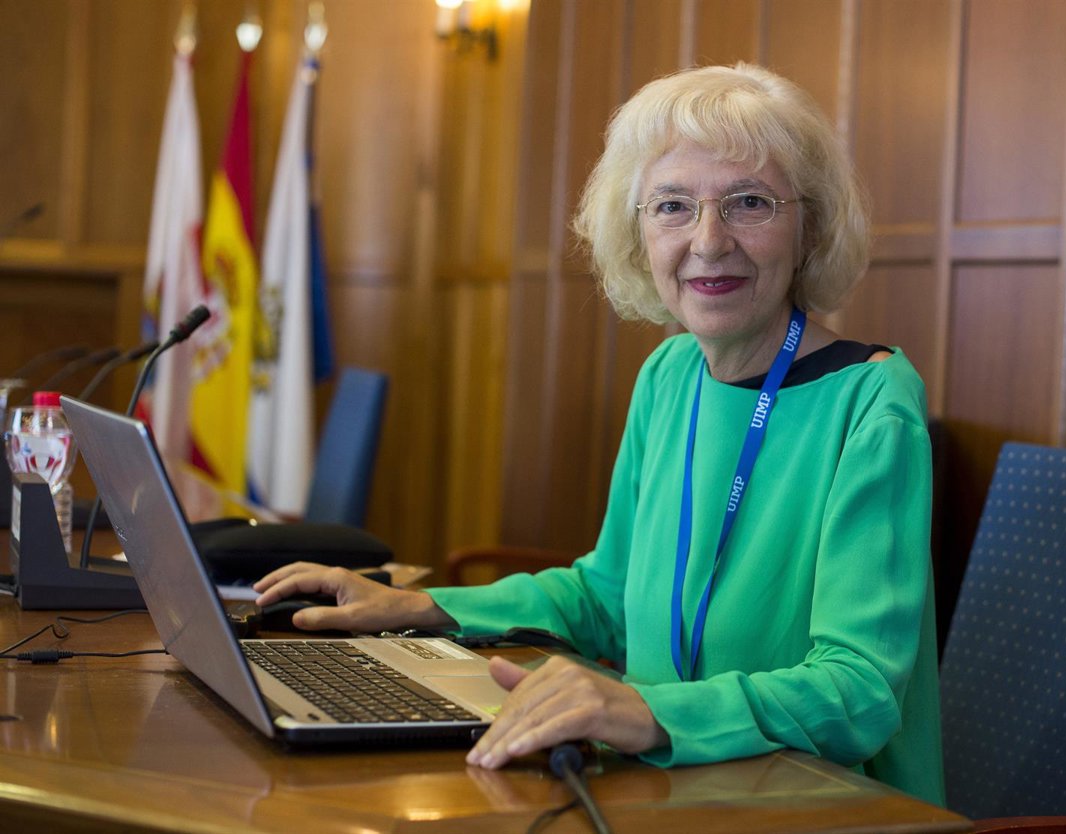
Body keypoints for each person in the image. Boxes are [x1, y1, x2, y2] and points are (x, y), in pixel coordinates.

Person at [254, 62, 944, 805]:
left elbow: (861, 692)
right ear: (637, 230)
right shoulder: (670, 375)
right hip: (668, 785)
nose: (709, 242)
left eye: (749, 203)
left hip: (813, 804)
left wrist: (646, 711)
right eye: (672, 206)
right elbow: (608, 598)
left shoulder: (874, 401)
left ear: (808, 226)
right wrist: (424, 609)